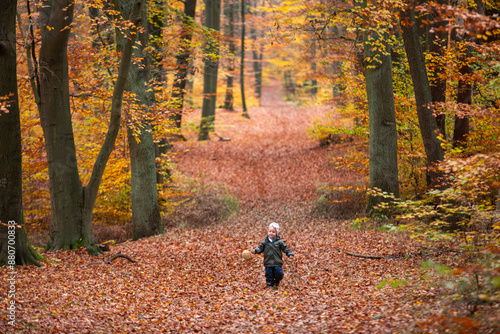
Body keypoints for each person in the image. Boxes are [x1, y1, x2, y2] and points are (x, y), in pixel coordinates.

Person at [252, 222, 294, 289]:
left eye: (273, 232)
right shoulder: (265, 242)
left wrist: (289, 254)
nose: (271, 233)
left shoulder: (279, 242)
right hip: (268, 262)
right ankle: (270, 285)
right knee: (269, 274)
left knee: (279, 274)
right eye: (270, 231)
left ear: (276, 233)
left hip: (277, 262)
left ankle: (277, 280)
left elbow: (285, 248)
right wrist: (256, 250)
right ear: (267, 232)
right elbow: (260, 248)